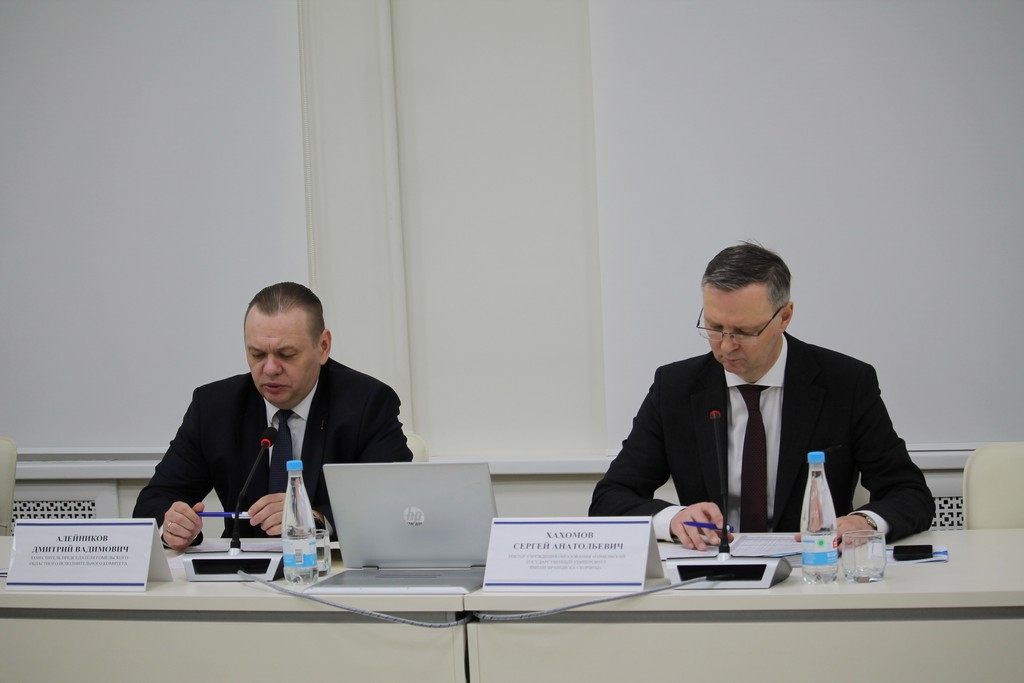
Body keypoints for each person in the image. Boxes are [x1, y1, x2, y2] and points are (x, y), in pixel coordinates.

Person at [590, 242, 933, 550]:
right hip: (712, 573)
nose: (726, 346)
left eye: (744, 332)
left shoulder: (845, 383)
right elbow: (610, 497)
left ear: (785, 316)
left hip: (814, 570)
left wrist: (863, 523)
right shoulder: (675, 387)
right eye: (714, 327)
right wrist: (673, 519)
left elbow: (909, 493)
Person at [134, 282, 412, 550]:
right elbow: (154, 501)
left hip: (330, 567)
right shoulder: (215, 407)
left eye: (286, 354)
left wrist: (314, 519)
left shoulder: (367, 404)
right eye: (257, 354)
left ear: (323, 346)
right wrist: (172, 526)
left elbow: (394, 505)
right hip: (241, 572)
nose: (269, 369)